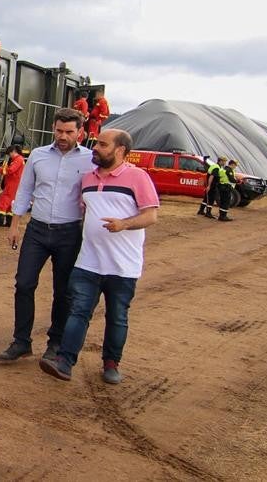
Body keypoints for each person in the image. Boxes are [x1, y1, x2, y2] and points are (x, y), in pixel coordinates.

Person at [39, 129, 159, 384]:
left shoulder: (138, 177)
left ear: (120, 151)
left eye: (103, 145)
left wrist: (124, 224)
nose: (95, 148)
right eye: (95, 143)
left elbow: (151, 215)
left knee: (117, 316)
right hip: (88, 262)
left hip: (122, 266)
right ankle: (64, 362)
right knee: (78, 311)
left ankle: (111, 364)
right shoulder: (87, 179)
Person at [0, 108, 96, 364]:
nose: (63, 136)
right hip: (37, 230)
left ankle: (56, 342)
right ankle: (21, 341)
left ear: (80, 132)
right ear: (54, 128)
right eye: (59, 130)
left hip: (69, 232)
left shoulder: (89, 160)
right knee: (24, 284)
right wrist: (14, 224)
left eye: (69, 132)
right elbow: (25, 189)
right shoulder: (38, 156)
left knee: (63, 291)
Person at [0, 145, 26, 227]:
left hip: (13, 184)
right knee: (11, 203)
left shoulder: (18, 159)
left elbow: (11, 170)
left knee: (2, 201)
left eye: (10, 153)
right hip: (14, 184)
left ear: (14, 151)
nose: (9, 155)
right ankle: (9, 222)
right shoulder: (19, 159)